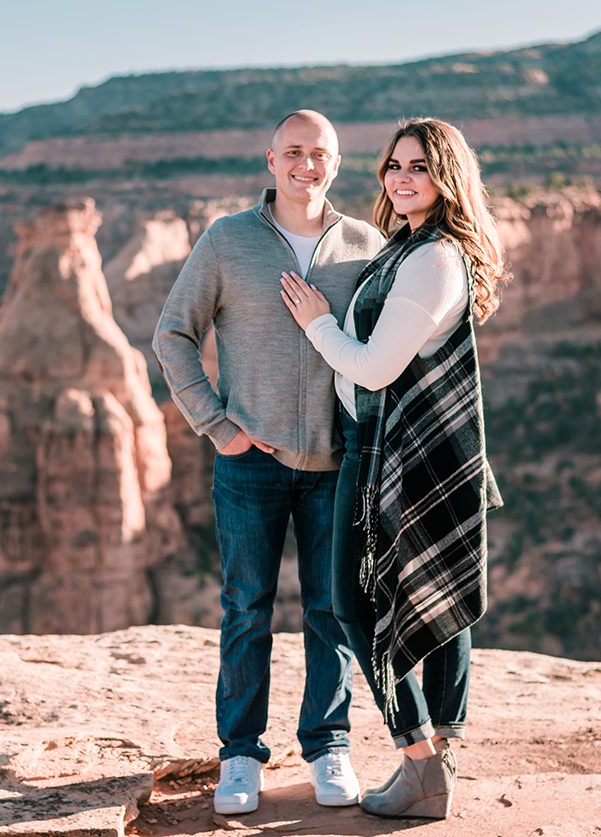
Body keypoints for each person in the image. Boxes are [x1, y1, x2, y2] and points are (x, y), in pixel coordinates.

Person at [153, 110, 384, 815]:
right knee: (246, 607)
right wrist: (216, 426)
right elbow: (172, 335)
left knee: (332, 610)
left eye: (319, 154)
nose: (305, 165)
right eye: (293, 152)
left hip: (335, 464)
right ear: (270, 159)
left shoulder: (363, 246)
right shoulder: (228, 240)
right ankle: (240, 754)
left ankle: (327, 743)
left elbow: (386, 349)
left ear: (336, 165)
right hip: (248, 463)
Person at [279, 117, 505, 820]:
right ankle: (435, 753)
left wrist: (317, 323)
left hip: (396, 458)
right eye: (395, 165)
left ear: (447, 179)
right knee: (428, 599)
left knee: (353, 598)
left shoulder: (434, 259)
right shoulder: (411, 246)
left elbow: (376, 366)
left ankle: (419, 759)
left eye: (420, 167)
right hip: (397, 450)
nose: (402, 178)